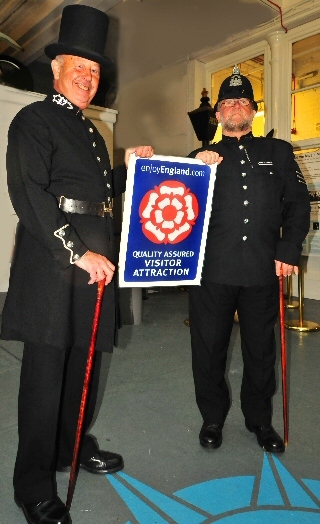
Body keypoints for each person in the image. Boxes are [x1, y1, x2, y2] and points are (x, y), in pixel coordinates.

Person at [0, 5, 154, 524]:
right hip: (55, 267)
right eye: (79, 68)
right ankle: (33, 484)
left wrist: (131, 168)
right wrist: (78, 251)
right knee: (45, 376)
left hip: (94, 269)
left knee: (82, 366)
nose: (89, 78)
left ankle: (70, 448)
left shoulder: (89, 131)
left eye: (95, 71)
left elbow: (98, 194)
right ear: (57, 69)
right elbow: (31, 196)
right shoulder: (34, 119)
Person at [188, 66, 310, 454]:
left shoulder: (278, 152)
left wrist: (289, 250)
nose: (235, 107)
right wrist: (188, 167)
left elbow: (298, 204)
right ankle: (212, 417)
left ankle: (259, 419)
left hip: (262, 269)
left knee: (261, 351)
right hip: (213, 271)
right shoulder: (200, 157)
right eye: (228, 102)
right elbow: (173, 203)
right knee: (208, 348)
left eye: (243, 101)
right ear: (219, 114)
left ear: (253, 111)